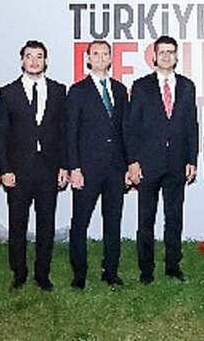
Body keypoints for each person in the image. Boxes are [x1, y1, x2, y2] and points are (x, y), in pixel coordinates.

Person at [0, 40, 68, 291]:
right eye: (29, 56)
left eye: (39, 56)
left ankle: (42, 274)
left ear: (46, 61)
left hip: (49, 169)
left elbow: (63, 132)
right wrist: (5, 169)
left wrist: (64, 166)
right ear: (22, 61)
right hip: (18, 171)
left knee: (46, 224)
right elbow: (1, 134)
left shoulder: (59, 91)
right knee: (18, 224)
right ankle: (19, 273)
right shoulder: (8, 92)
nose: (34, 61)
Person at [125, 35, 198, 283]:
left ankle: (173, 266)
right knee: (146, 219)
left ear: (176, 56)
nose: (166, 56)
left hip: (177, 162)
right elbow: (132, 127)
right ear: (154, 56)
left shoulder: (187, 86)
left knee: (174, 217)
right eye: (162, 52)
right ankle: (146, 269)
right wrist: (133, 162)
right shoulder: (141, 86)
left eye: (171, 52)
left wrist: (191, 159)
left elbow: (191, 125)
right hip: (148, 163)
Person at [66, 40, 129, 289]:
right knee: (80, 223)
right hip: (87, 169)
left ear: (111, 59)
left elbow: (126, 131)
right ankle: (79, 274)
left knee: (113, 222)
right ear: (88, 59)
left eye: (105, 54)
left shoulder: (120, 90)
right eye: (96, 54)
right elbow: (70, 132)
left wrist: (128, 166)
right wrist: (74, 168)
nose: (101, 58)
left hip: (115, 169)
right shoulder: (77, 91)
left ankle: (110, 272)